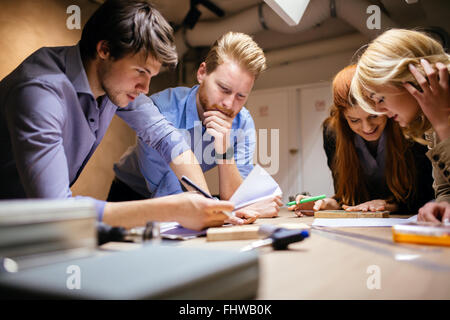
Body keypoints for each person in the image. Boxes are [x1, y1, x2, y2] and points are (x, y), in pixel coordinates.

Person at [0, 0, 237, 230]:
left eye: (151, 76)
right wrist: (170, 209)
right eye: (140, 72)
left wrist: (206, 203)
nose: (145, 88)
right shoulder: (39, 93)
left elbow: (168, 139)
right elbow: (56, 209)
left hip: (32, 226)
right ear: (104, 50)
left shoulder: (113, 85)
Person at [108, 31, 283, 218]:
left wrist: (224, 149)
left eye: (241, 96)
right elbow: (166, 194)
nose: (229, 104)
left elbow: (237, 198)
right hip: (131, 193)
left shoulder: (242, 122)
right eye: (224, 89)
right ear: (202, 73)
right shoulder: (163, 111)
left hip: (189, 196)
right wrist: (227, 209)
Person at [288, 65, 434, 216]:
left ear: (384, 105)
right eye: (354, 120)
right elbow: (345, 196)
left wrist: (389, 205)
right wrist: (326, 204)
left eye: (374, 116)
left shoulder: (406, 124)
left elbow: (425, 193)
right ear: (344, 117)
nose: (367, 128)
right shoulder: (333, 132)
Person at [350, 28, 450, 223]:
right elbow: (446, 189)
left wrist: (444, 123)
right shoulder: (431, 124)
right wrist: (444, 204)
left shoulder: (440, 120)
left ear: (412, 77)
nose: (380, 110)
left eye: (379, 98)